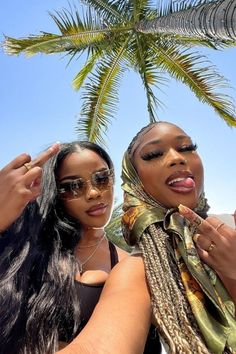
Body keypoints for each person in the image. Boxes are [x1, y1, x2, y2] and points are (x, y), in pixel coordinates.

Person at [60, 121, 236, 354]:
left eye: (186, 148)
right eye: (153, 154)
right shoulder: (141, 270)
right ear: (135, 182)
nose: (177, 158)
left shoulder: (230, 224)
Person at [0, 141, 127, 354]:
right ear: (56, 193)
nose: (94, 193)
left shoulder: (128, 265)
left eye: (102, 178)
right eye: (73, 186)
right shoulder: (24, 250)